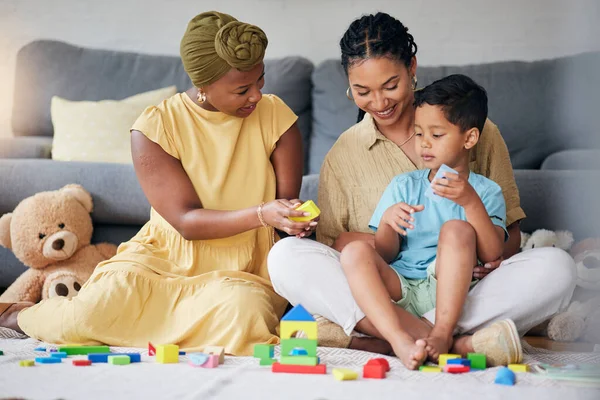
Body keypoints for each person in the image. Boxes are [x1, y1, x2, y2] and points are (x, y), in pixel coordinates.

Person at [0, 11, 317, 356]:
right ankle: (22, 317)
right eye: (243, 89)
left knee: (245, 312)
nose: (256, 95)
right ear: (202, 85)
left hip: (242, 269)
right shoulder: (154, 127)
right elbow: (185, 222)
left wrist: (295, 221)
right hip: (162, 258)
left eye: (261, 81)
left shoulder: (276, 117)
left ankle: (146, 330)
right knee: (97, 306)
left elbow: (287, 210)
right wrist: (262, 212)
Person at [268, 12, 575, 366]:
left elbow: (510, 236)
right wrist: (385, 229)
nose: (379, 103)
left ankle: (384, 339)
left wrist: (491, 257)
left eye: (390, 85)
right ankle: (453, 342)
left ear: (412, 67)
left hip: (470, 290)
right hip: (391, 287)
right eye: (362, 92)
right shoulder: (345, 153)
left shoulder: (475, 129)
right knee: (285, 257)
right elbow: (338, 249)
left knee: (558, 267)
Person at [340, 74, 511, 369]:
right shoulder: (404, 185)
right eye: (419, 134)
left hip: (455, 293)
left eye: (436, 135)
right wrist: (387, 223)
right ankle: (399, 339)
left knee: (460, 231)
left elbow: (493, 253)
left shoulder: (485, 191)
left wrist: (470, 201)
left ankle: (442, 334)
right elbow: (384, 254)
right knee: (354, 251)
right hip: (401, 287)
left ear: (469, 138)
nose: (424, 144)